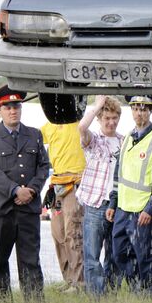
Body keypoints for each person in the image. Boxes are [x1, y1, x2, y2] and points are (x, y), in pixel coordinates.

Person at [0, 85, 50, 302]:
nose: (13, 111)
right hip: (2, 210)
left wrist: (31, 190)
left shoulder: (34, 135)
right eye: (8, 107)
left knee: (30, 261)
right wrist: (15, 190)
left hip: (28, 209)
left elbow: (43, 166)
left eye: (16, 106)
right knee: (0, 263)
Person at [107, 95, 152, 297]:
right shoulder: (127, 137)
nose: (139, 113)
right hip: (123, 209)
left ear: (150, 111)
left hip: (145, 211)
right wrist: (112, 202)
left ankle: (148, 295)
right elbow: (119, 175)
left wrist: (150, 209)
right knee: (119, 253)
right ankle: (137, 288)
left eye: (144, 109)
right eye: (136, 108)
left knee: (148, 256)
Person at [76, 95, 124, 295]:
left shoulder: (124, 141)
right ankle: (97, 296)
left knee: (115, 252)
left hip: (118, 204)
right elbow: (81, 128)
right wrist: (97, 106)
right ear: (100, 119)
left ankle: (112, 291)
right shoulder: (93, 140)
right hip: (95, 203)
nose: (111, 122)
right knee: (92, 255)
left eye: (114, 118)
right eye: (107, 118)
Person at [41, 115, 86, 293]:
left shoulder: (80, 123)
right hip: (58, 184)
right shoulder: (49, 125)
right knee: (58, 233)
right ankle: (69, 279)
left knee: (73, 232)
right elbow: (28, 137)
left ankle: (80, 282)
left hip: (76, 183)